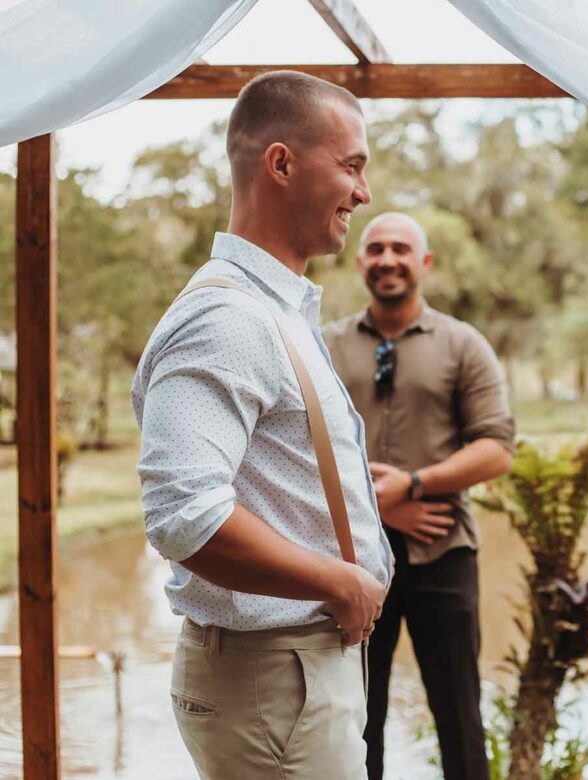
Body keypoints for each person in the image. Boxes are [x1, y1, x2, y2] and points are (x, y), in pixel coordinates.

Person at [132, 71, 393, 779]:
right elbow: (186, 514)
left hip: (294, 681)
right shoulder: (229, 318)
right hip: (277, 685)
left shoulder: (273, 307)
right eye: (351, 165)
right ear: (280, 164)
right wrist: (340, 583)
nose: (363, 193)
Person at [323, 212, 515, 779]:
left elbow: (497, 448)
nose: (388, 259)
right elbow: (296, 445)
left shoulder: (463, 345)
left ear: (424, 262)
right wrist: (378, 505)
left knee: (459, 714)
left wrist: (414, 484)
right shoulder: (324, 344)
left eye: (401, 249)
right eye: (375, 248)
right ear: (360, 262)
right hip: (349, 561)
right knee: (356, 720)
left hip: (443, 556)